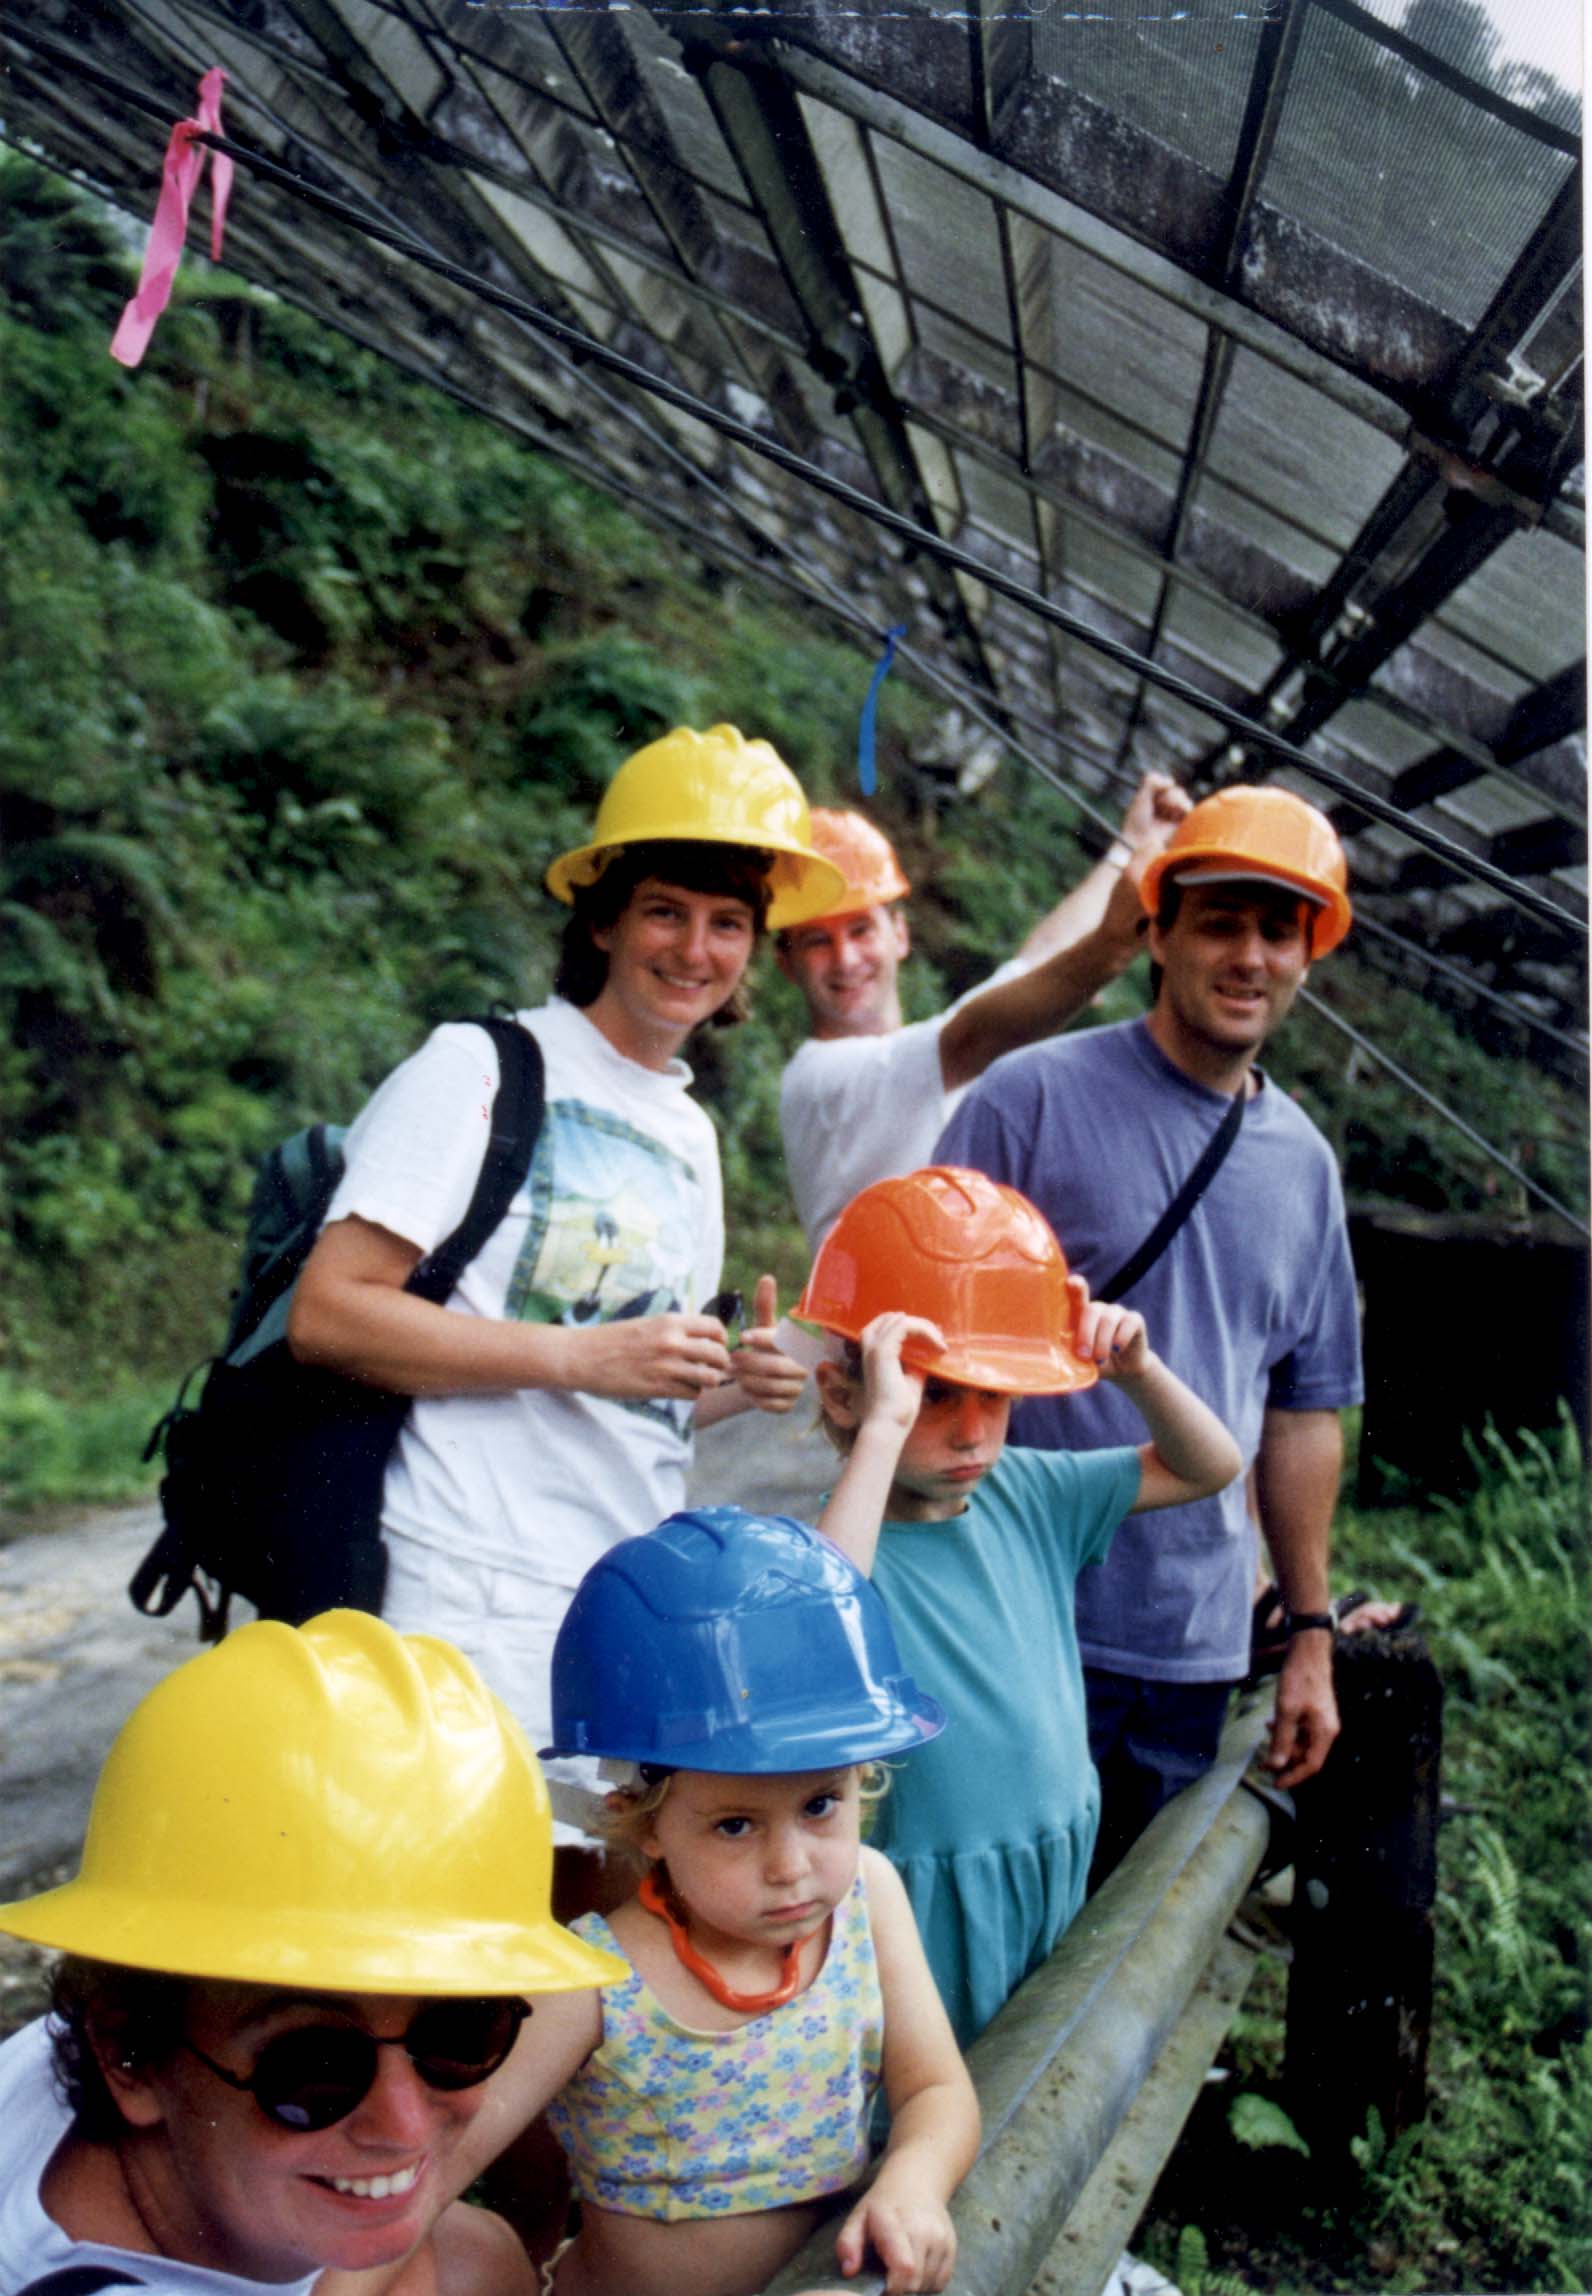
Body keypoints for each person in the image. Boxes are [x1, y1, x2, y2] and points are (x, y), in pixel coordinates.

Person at [288, 724, 841, 1857]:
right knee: (440, 1908)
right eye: (665, 912)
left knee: (573, 1926)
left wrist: (731, 1381)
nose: (695, 948)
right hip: (460, 1586)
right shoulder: (480, 1067)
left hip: (615, 1608)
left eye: (727, 923)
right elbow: (331, 1311)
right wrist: (581, 1354)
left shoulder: (688, 1132)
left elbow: (631, 1393)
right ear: (601, 920)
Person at [936, 784, 1364, 1877]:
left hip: (1189, 1650)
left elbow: (1302, 1413)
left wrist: (1309, 1635)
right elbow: (921, 1337)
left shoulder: (1305, 1169)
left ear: (1307, 956)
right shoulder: (1029, 1099)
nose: (1250, 956)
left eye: (1279, 931)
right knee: (981, 1928)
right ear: (1157, 933)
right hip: (1011, 1613)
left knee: (1124, 1944)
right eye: (1220, 923)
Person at [0, 1608, 627, 2296]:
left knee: (472, 2254)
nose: (402, 2127)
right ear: (130, 2056)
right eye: (314, 2069)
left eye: (462, 2032)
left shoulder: (69, 2063)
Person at [803, 1166, 1242, 2044]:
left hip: (1050, 1867)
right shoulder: (841, 1541)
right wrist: (882, 1428)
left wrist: (1140, 1373)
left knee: (1033, 2077)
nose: (973, 1431)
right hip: (924, 1898)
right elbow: (825, 1619)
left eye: (994, 1396)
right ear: (844, 1394)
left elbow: (1211, 1464)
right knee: (933, 2094)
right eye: (934, 1395)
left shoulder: (1034, 1491)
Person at [526, 1506, 981, 2296]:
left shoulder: (867, 1896)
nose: (790, 1867)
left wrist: (913, 2180)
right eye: (735, 1825)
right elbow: (442, 2154)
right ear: (645, 1822)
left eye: (821, 1805)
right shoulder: (592, 1976)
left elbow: (937, 2090)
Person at [775, 772, 1190, 1249]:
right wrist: (1110, 949)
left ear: (900, 935)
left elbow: (1031, 968)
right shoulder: (821, 1079)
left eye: (861, 930)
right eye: (817, 941)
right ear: (786, 963)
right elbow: (973, 1035)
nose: (846, 959)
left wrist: (1128, 847)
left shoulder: (923, 1065)